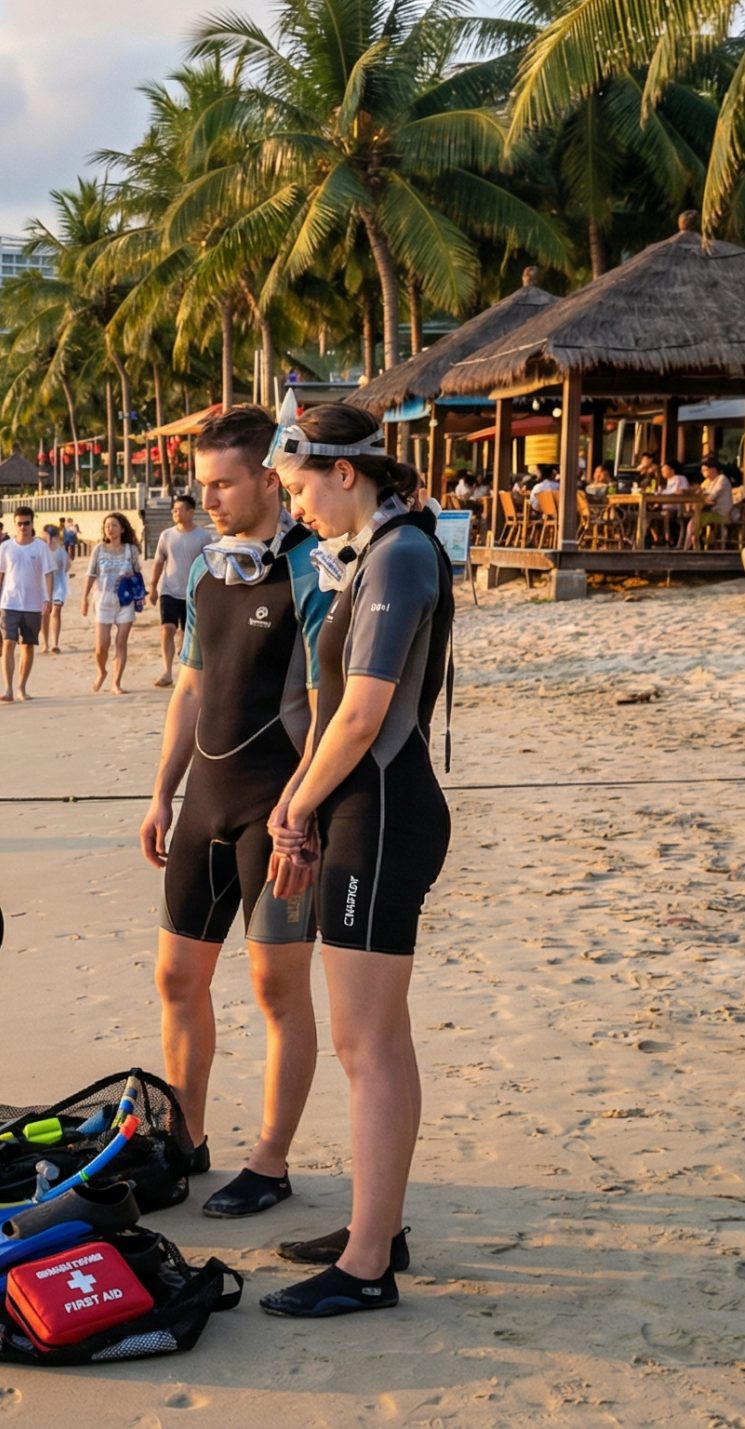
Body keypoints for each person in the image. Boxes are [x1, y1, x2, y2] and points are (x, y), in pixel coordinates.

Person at [262, 401, 455, 1317]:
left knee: (364, 1045)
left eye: (299, 488)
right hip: (365, 807)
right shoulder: (376, 552)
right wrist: (297, 798)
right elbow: (334, 705)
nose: (295, 507)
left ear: (346, 472)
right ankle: (379, 1226)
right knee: (384, 1039)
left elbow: (365, 710)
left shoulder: (400, 554)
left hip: (380, 814)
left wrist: (298, 806)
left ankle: (368, 1263)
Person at [138, 405, 337, 1228]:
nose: (207, 498)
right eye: (202, 484)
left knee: (276, 987)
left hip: (275, 811)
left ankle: (270, 1160)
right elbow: (189, 687)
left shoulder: (310, 571)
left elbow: (325, 708)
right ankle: (185, 1138)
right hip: (204, 805)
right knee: (176, 977)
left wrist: (302, 810)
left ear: (268, 479)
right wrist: (162, 790)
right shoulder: (207, 572)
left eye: (223, 483)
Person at [150, 495, 216, 689]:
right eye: (174, 509)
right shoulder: (166, 535)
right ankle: (167, 671)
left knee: (189, 633)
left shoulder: (203, 536)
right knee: (167, 629)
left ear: (191, 512)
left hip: (193, 592)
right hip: (169, 590)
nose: (175, 512)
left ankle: (186, 671)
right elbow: (159, 561)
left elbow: (209, 564)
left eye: (179, 509)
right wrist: (153, 586)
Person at [0, 507, 50, 702]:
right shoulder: (6, 547)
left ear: (32, 523)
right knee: (8, 642)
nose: (23, 527)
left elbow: (48, 574)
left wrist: (48, 598)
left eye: (26, 523)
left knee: (28, 646)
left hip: (33, 604)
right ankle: (8, 689)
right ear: (14, 524)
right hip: (9, 603)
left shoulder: (40, 547)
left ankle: (22, 687)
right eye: (19, 523)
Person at [82, 512, 145, 694]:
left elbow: (137, 574)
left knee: (121, 642)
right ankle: (101, 671)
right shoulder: (99, 549)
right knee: (101, 646)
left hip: (125, 601)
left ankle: (116, 683)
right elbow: (91, 574)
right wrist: (84, 598)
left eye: (114, 525)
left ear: (122, 529)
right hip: (103, 599)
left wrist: (139, 593)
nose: (110, 529)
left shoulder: (131, 550)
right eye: (107, 526)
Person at [41, 524, 72, 654]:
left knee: (55, 612)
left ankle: (55, 643)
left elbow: (68, 565)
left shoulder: (60, 550)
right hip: (43, 585)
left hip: (58, 586)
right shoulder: (41, 549)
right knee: (45, 614)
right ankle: (45, 643)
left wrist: (60, 574)